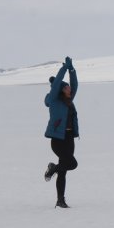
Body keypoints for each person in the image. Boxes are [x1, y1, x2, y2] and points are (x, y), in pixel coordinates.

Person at [43, 56, 79, 208]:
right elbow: (57, 83)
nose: (69, 89)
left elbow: (75, 84)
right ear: (60, 90)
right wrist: (64, 69)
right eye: (66, 88)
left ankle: (60, 200)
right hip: (58, 140)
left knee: (64, 170)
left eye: (68, 88)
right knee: (72, 163)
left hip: (69, 137)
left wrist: (72, 70)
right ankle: (53, 168)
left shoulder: (69, 100)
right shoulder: (53, 100)